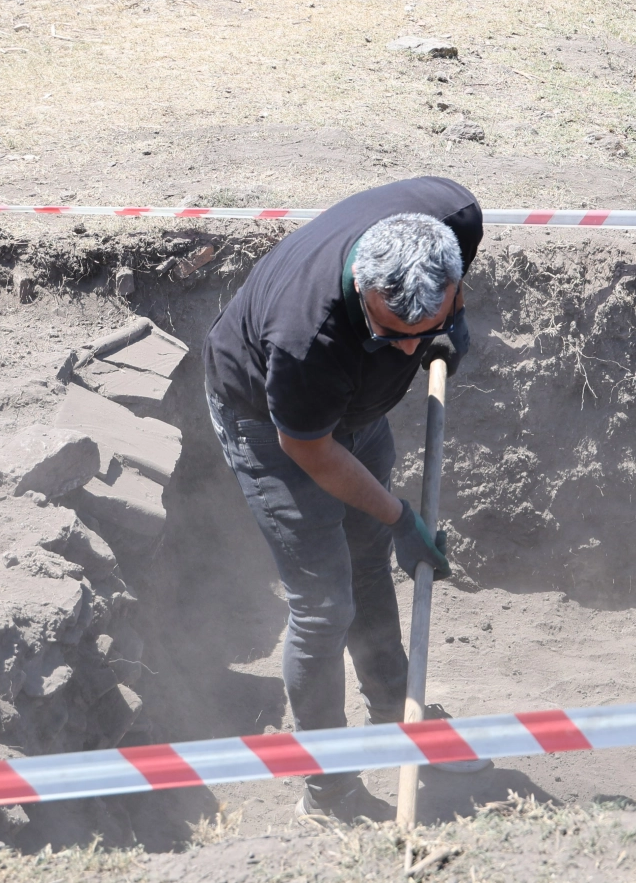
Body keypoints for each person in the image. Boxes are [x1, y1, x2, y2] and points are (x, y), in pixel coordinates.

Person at [203, 177, 481, 820]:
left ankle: (396, 713)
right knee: (324, 604)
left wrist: (452, 326)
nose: (410, 350)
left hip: (354, 407)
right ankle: (327, 789)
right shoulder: (307, 336)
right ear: (362, 290)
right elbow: (311, 449)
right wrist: (399, 512)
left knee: (366, 556)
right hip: (272, 425)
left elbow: (424, 318)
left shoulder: (453, 218)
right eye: (391, 335)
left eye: (424, 331)